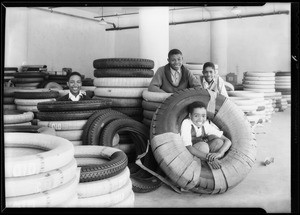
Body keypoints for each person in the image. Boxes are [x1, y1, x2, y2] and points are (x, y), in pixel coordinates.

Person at [180, 101, 232, 169]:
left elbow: (227, 141)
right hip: (189, 153)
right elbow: (188, 147)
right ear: (190, 116)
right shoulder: (186, 123)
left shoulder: (205, 124)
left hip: (205, 153)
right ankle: (207, 163)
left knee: (219, 142)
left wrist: (220, 153)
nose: (200, 119)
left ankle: (212, 162)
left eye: (203, 116)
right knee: (203, 146)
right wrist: (210, 158)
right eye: (196, 116)